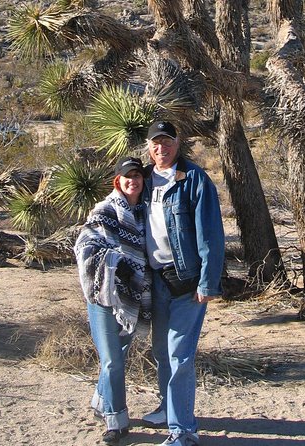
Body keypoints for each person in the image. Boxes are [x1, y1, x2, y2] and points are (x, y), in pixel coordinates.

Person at [140, 121, 225, 446]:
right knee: (161, 351)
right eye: (156, 143)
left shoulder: (193, 180)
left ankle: (183, 431)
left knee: (180, 355)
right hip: (156, 279)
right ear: (149, 147)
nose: (162, 148)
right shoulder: (144, 180)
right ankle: (167, 408)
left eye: (168, 142)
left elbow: (211, 236)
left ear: (179, 143)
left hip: (187, 281)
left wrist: (207, 282)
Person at [73, 156, 152, 444]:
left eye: (138, 176)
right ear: (117, 180)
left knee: (117, 357)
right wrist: (115, 262)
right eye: (127, 176)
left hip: (131, 296)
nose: (133, 180)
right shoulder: (106, 209)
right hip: (104, 295)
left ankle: (99, 400)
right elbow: (85, 245)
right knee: (112, 362)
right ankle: (116, 420)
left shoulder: (145, 213)